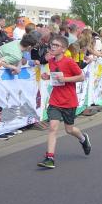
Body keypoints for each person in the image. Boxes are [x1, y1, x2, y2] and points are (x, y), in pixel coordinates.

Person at [37, 34, 91, 169]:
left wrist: (65, 79)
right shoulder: (51, 61)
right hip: (55, 100)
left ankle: (83, 139)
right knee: (53, 127)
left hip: (69, 101)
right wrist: (47, 76)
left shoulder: (69, 62)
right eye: (52, 45)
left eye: (56, 45)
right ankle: (50, 158)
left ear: (63, 49)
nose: (52, 47)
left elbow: (81, 77)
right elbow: (56, 76)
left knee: (69, 129)